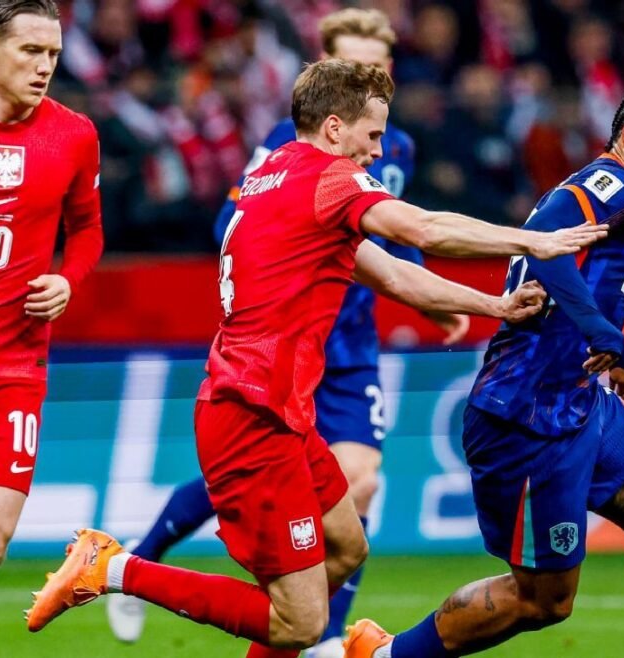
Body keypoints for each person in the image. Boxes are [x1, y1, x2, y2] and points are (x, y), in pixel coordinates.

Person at [25, 59, 606, 657]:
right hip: (251, 416)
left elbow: (395, 276)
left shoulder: (274, 174)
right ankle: (114, 569)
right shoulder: (331, 180)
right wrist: (533, 240)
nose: (378, 152)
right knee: (299, 624)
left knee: (347, 548)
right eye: (372, 135)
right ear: (334, 127)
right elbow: (424, 230)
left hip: (277, 412)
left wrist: (497, 306)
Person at [103, 12, 468, 656]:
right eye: (356, 61)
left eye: (379, 62)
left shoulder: (394, 146)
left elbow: (391, 231)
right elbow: (233, 219)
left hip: (348, 344)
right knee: (267, 468)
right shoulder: (287, 145)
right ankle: (142, 558)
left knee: (359, 489)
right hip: (285, 338)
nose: (370, 72)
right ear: (328, 69)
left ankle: (320, 637)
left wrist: (426, 295)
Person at [343, 80, 624, 658]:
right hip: (529, 416)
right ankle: (384, 655)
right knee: (544, 601)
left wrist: (603, 342)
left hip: (579, 400)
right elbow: (541, 238)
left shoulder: (623, 192)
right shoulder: (620, 183)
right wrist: (603, 332)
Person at [0, 1, 103, 655]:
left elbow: (87, 229)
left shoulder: (74, 135)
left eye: (53, 53)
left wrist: (69, 278)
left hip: (11, 364)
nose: (44, 66)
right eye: (31, 50)